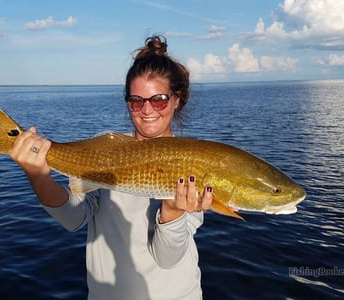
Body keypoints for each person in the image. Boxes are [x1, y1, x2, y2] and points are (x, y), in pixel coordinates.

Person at [11, 35, 213, 300]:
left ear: (177, 99)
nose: (147, 109)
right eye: (136, 101)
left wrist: (173, 210)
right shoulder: (106, 153)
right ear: (128, 102)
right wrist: (38, 175)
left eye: (160, 99)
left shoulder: (195, 161)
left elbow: (167, 257)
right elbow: (74, 218)